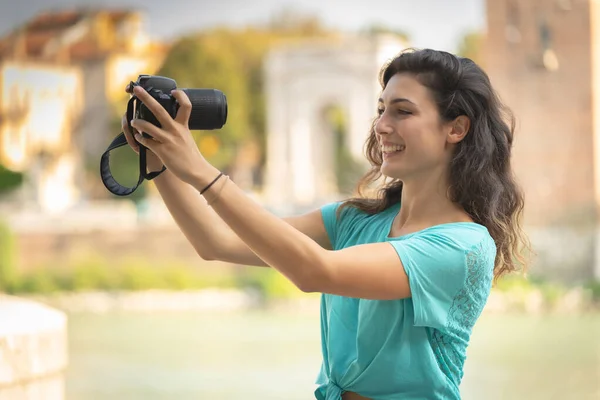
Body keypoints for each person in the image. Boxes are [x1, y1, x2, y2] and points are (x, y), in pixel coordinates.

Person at [121, 48, 529, 400]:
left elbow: (314, 270)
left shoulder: (463, 246)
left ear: (456, 128)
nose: (383, 125)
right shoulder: (354, 220)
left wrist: (202, 171)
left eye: (403, 111)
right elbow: (217, 243)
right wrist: (162, 162)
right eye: (381, 109)